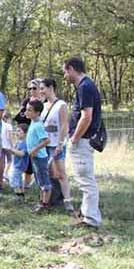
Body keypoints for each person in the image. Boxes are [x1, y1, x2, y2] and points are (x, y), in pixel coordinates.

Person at [63, 56, 103, 228]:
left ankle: (91, 220)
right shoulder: (85, 86)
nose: (65, 75)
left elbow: (86, 117)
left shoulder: (85, 87)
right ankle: (86, 214)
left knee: (86, 181)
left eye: (65, 71)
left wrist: (75, 138)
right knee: (84, 180)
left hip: (83, 140)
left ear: (71, 69)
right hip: (84, 139)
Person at [39, 78, 74, 213]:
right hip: (44, 143)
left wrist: (60, 143)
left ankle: (68, 201)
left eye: (43, 88)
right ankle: (49, 200)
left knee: (60, 173)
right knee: (48, 173)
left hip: (56, 144)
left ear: (51, 88)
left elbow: (65, 125)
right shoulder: (43, 105)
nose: (41, 91)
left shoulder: (61, 105)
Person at [14, 79, 43, 189]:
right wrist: (20, 133)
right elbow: (20, 118)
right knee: (27, 160)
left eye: (34, 88)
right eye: (29, 88)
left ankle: (39, 182)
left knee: (39, 159)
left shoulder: (44, 103)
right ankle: (26, 185)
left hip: (40, 135)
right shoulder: (26, 102)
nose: (31, 90)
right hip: (27, 134)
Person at [25, 99, 52, 213]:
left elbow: (46, 140)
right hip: (34, 158)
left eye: (30, 110)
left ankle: (45, 204)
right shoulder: (33, 123)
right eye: (27, 110)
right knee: (39, 181)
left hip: (40, 158)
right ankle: (41, 201)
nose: (27, 112)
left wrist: (35, 149)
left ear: (37, 113)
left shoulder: (38, 126)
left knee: (44, 181)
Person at [7, 124, 30, 201]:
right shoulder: (18, 142)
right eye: (16, 131)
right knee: (19, 181)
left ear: (25, 133)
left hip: (20, 165)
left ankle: (18, 197)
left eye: (19, 131)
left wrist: (12, 150)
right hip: (16, 164)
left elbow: (22, 153)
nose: (17, 132)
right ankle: (22, 196)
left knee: (14, 180)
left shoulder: (25, 143)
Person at [1, 111, 14, 183]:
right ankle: (5, 173)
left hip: (1, 145)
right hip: (7, 146)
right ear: (7, 118)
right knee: (10, 161)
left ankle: (2, 174)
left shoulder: (1, 125)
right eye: (10, 119)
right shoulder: (9, 126)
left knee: (2, 161)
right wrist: (12, 145)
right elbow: (9, 137)